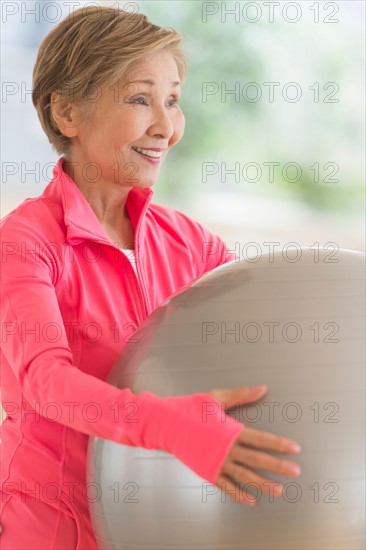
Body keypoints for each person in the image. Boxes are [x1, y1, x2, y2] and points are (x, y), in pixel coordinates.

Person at [0, 6, 301, 549]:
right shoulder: (27, 241)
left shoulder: (191, 243)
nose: (166, 126)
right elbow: (45, 383)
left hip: (162, 528)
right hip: (51, 528)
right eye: (141, 99)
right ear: (67, 113)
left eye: (173, 100)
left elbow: (268, 335)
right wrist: (171, 426)